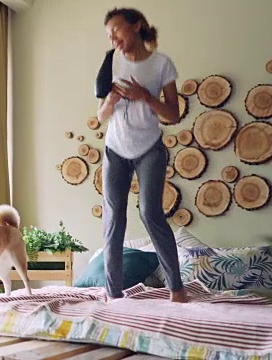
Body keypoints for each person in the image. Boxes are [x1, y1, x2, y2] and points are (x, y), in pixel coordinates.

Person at [95, 7, 187, 303]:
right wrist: (111, 100)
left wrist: (145, 97)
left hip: (150, 149)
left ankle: (177, 289)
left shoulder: (162, 64)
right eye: (109, 35)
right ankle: (113, 294)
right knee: (113, 218)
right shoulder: (111, 62)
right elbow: (100, 115)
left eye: (117, 31)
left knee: (150, 213)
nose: (113, 40)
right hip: (115, 149)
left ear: (136, 26)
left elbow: (173, 114)